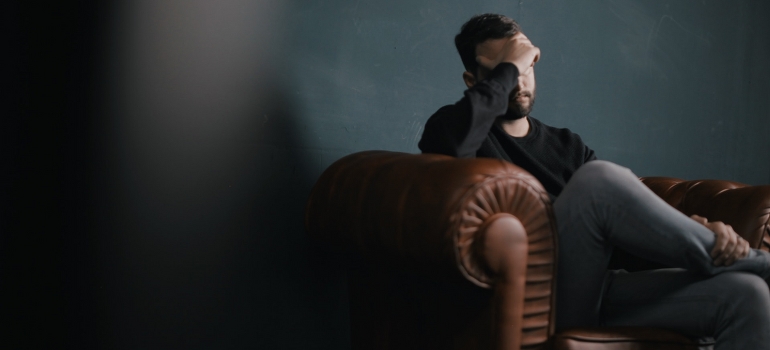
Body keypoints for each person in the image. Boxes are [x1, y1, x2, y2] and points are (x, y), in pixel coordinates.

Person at [418, 13, 770, 349]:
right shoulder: (452, 128)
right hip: (535, 298)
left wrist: (693, 230)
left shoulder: (567, 145)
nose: (520, 81)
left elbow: (621, 236)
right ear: (473, 81)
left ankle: (733, 261)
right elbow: (452, 148)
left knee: (747, 294)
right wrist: (511, 65)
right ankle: (757, 262)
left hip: (596, 291)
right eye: (506, 70)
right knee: (598, 179)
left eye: (526, 66)